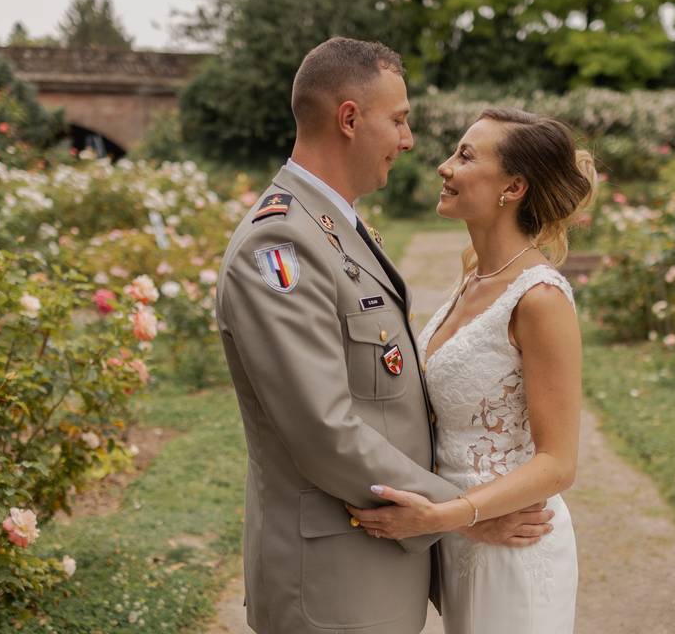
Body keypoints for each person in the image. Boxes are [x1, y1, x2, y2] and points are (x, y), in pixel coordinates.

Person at [215, 38, 554, 634]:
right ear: (350, 119)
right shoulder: (282, 245)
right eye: (398, 120)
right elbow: (323, 429)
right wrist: (459, 516)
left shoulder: (331, 225)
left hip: (367, 569)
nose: (409, 140)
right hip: (331, 580)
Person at [347, 108, 596, 633]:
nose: (443, 166)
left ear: (513, 186)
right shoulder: (472, 278)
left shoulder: (541, 297)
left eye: (465, 156)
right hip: (466, 539)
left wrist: (442, 516)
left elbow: (558, 463)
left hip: (513, 549)